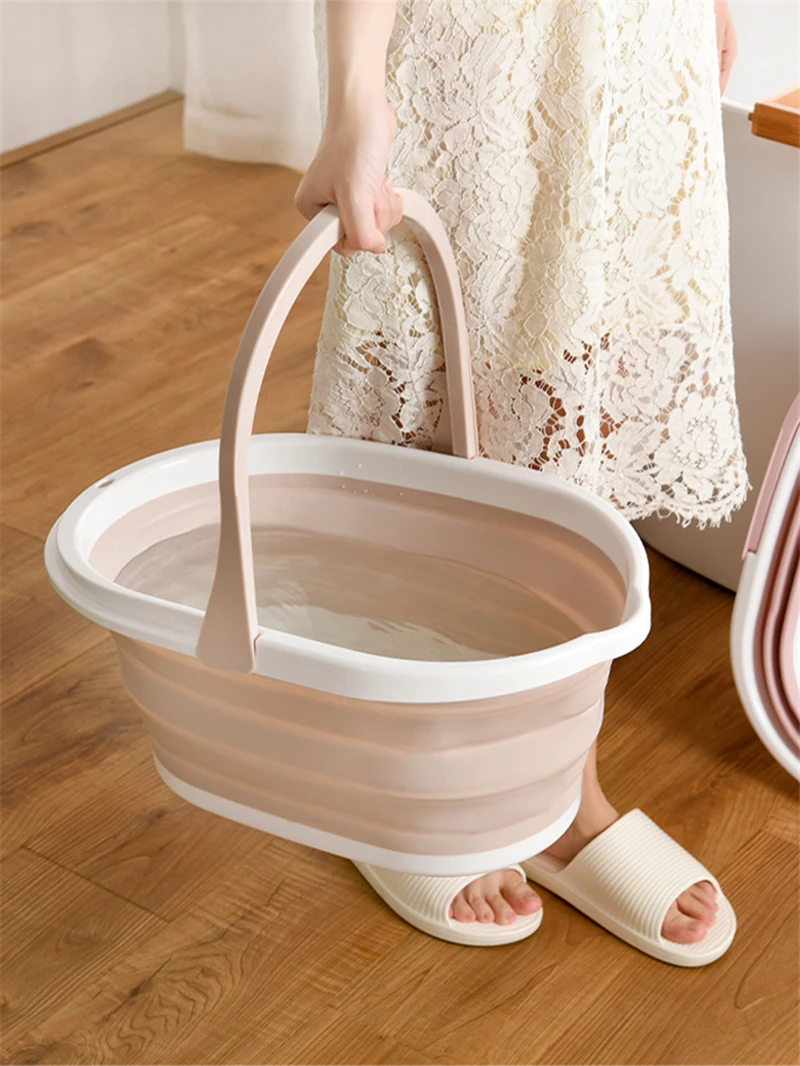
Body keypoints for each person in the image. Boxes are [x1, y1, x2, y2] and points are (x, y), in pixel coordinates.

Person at [295, 0, 745, 965]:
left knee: (590, 411)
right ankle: (406, 772)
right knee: (447, 390)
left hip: (640, 38)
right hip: (494, 42)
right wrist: (355, 95)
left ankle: (560, 788)